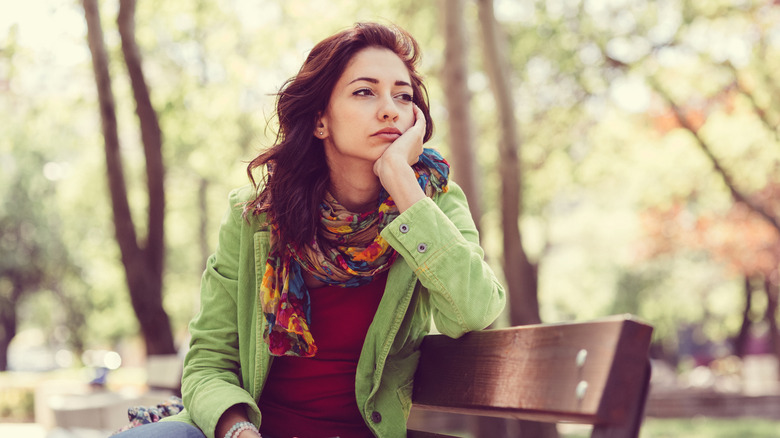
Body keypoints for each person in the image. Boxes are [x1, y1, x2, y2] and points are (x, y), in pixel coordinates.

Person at [115, 22, 505, 438]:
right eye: (364, 91)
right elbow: (209, 362)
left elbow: (475, 311)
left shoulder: (432, 203)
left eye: (403, 95)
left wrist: (400, 179)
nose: (390, 108)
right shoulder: (257, 216)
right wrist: (239, 432)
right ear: (320, 120)